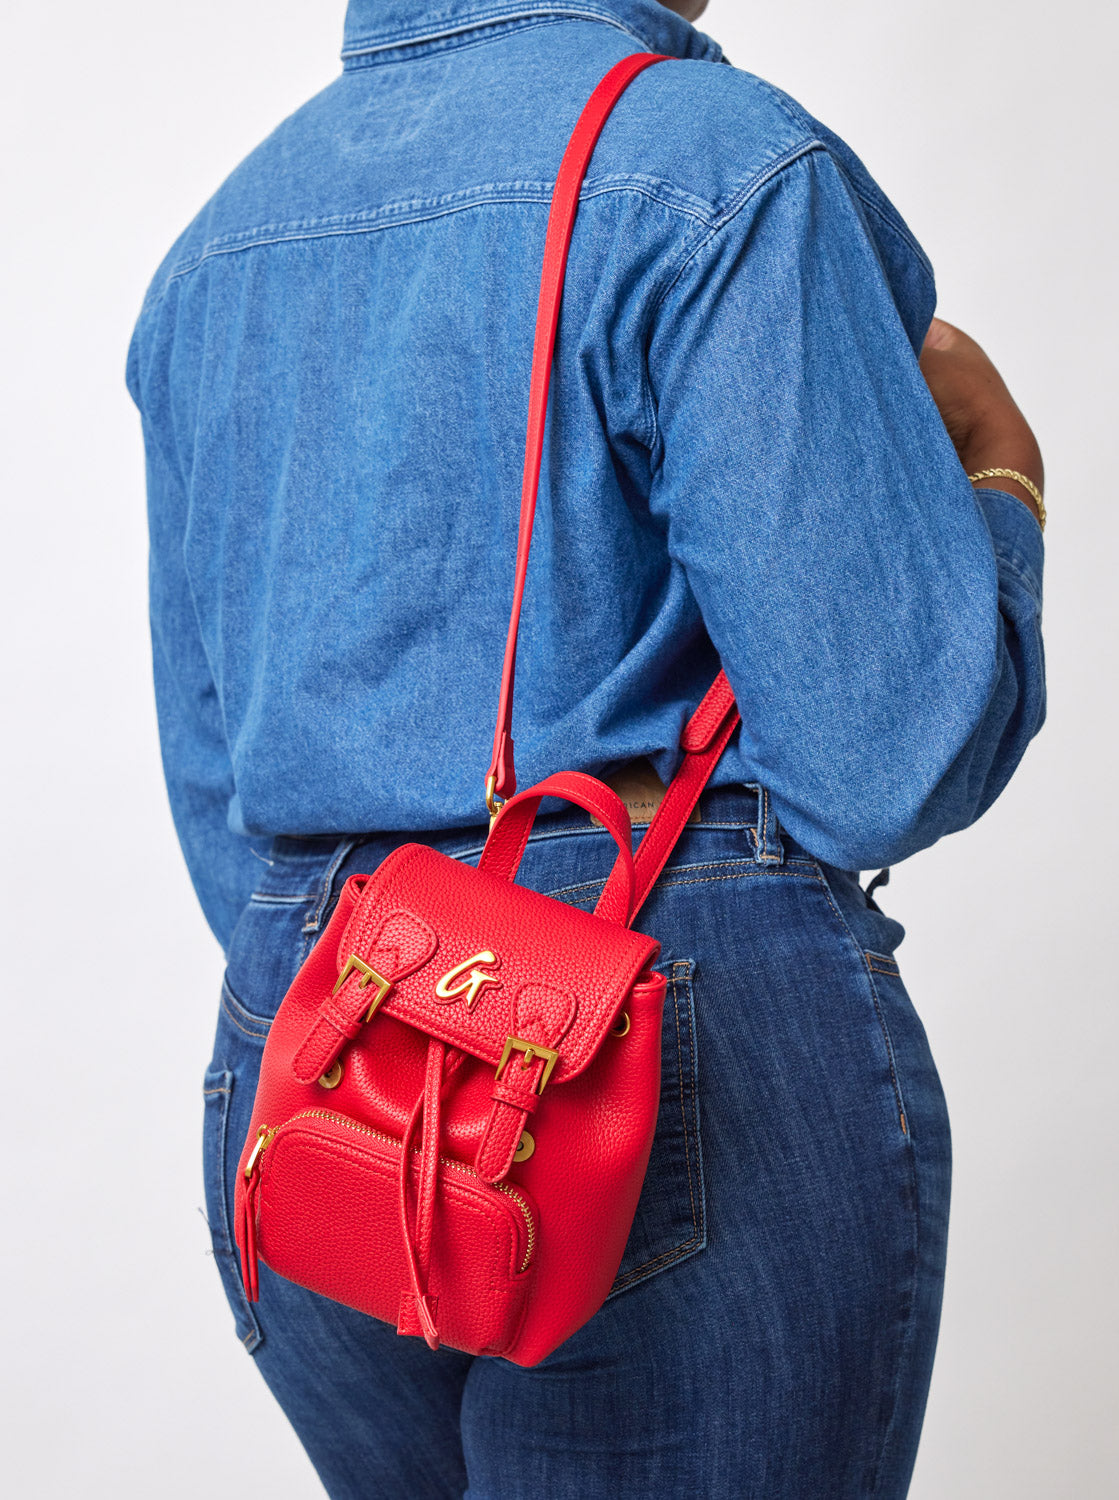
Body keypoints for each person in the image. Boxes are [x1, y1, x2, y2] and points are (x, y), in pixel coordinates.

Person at [126, 1, 1046, 1495]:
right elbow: (889, 759)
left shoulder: (217, 245)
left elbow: (222, 793)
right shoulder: (713, 168)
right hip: (652, 1030)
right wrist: (1004, 483)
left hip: (319, 1045)